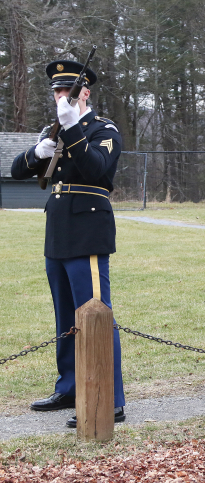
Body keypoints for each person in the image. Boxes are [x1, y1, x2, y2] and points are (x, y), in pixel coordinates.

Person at [11, 59, 126, 427]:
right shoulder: (55, 129)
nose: (61, 97)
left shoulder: (102, 129)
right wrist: (37, 153)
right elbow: (16, 170)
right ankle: (70, 387)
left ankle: (109, 398)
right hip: (58, 230)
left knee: (95, 313)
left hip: (87, 228)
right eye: (57, 91)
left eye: (67, 91)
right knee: (66, 317)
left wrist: (72, 128)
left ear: (84, 93)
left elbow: (95, 169)